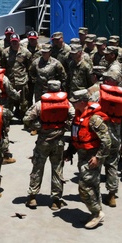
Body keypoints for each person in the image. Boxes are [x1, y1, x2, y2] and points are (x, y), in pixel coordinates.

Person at [22, 79, 73, 210]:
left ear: (48, 89)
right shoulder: (67, 104)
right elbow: (73, 118)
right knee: (57, 169)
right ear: (60, 89)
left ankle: (33, 197)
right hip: (59, 141)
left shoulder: (40, 104)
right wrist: (64, 127)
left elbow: (27, 119)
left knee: (37, 167)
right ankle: (56, 200)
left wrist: (38, 127)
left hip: (43, 141)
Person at [65, 88, 111, 229]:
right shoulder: (78, 115)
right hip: (82, 154)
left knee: (84, 186)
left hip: (92, 156)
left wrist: (98, 157)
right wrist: (69, 151)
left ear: (83, 102)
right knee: (93, 184)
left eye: (75, 102)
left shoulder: (94, 119)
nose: (72, 104)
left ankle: (96, 213)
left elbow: (107, 141)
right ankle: (96, 212)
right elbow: (75, 135)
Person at [98, 70, 122, 207]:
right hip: (115, 138)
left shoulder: (97, 95)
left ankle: (93, 194)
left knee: (95, 165)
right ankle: (112, 195)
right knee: (112, 165)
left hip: (98, 137)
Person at [1, 33, 32, 118]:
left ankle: (23, 118)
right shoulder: (5, 52)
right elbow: (3, 66)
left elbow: (30, 66)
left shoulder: (26, 52)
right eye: (12, 41)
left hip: (22, 81)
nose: (14, 43)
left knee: (23, 102)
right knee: (9, 102)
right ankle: (8, 119)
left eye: (16, 41)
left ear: (19, 41)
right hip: (10, 82)